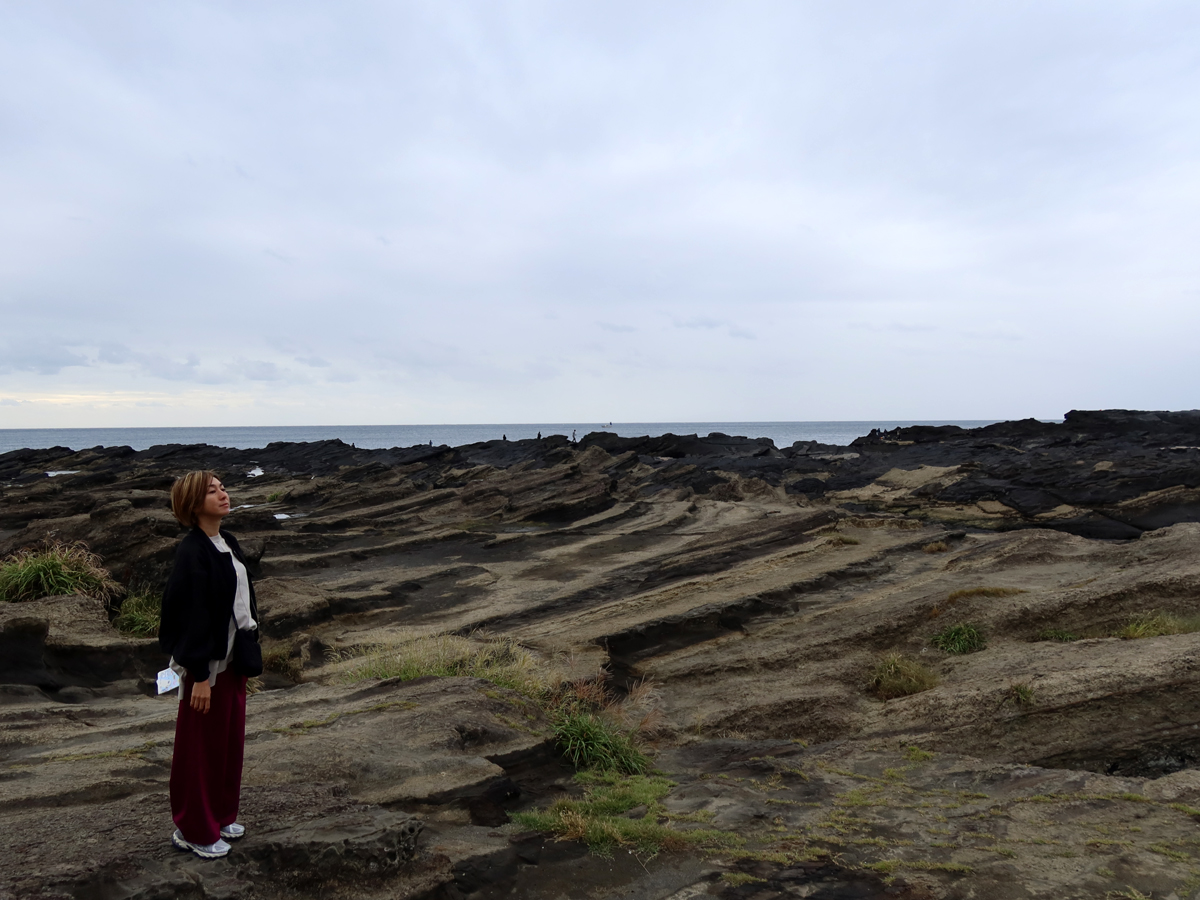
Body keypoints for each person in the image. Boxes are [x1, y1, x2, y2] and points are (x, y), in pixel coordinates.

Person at [159, 471, 261, 859]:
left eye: (222, 488)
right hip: (207, 669)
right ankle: (194, 829)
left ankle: (220, 816)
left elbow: (239, 603)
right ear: (191, 504)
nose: (223, 494)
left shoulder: (227, 542)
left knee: (228, 743)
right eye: (211, 491)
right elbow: (189, 615)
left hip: (233, 662)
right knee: (198, 750)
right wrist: (199, 675)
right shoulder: (192, 551)